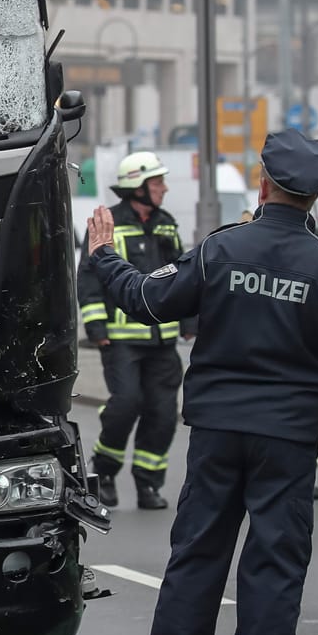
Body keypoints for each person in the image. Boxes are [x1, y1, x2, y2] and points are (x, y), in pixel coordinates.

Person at [86, 130, 318, 635]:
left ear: (263, 182)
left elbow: (146, 300)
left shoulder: (220, 250)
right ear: (314, 199)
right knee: (275, 570)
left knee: (196, 560)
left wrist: (103, 255)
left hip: (216, 433)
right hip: (287, 442)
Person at [77, 151, 194, 510]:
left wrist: (189, 322)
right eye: (157, 182)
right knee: (126, 404)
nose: (164, 188)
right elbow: (90, 277)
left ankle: (148, 484)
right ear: (137, 186)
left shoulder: (166, 223)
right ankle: (105, 472)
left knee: (161, 413)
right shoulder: (107, 223)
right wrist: (97, 327)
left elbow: (184, 277)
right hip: (121, 341)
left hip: (162, 341)